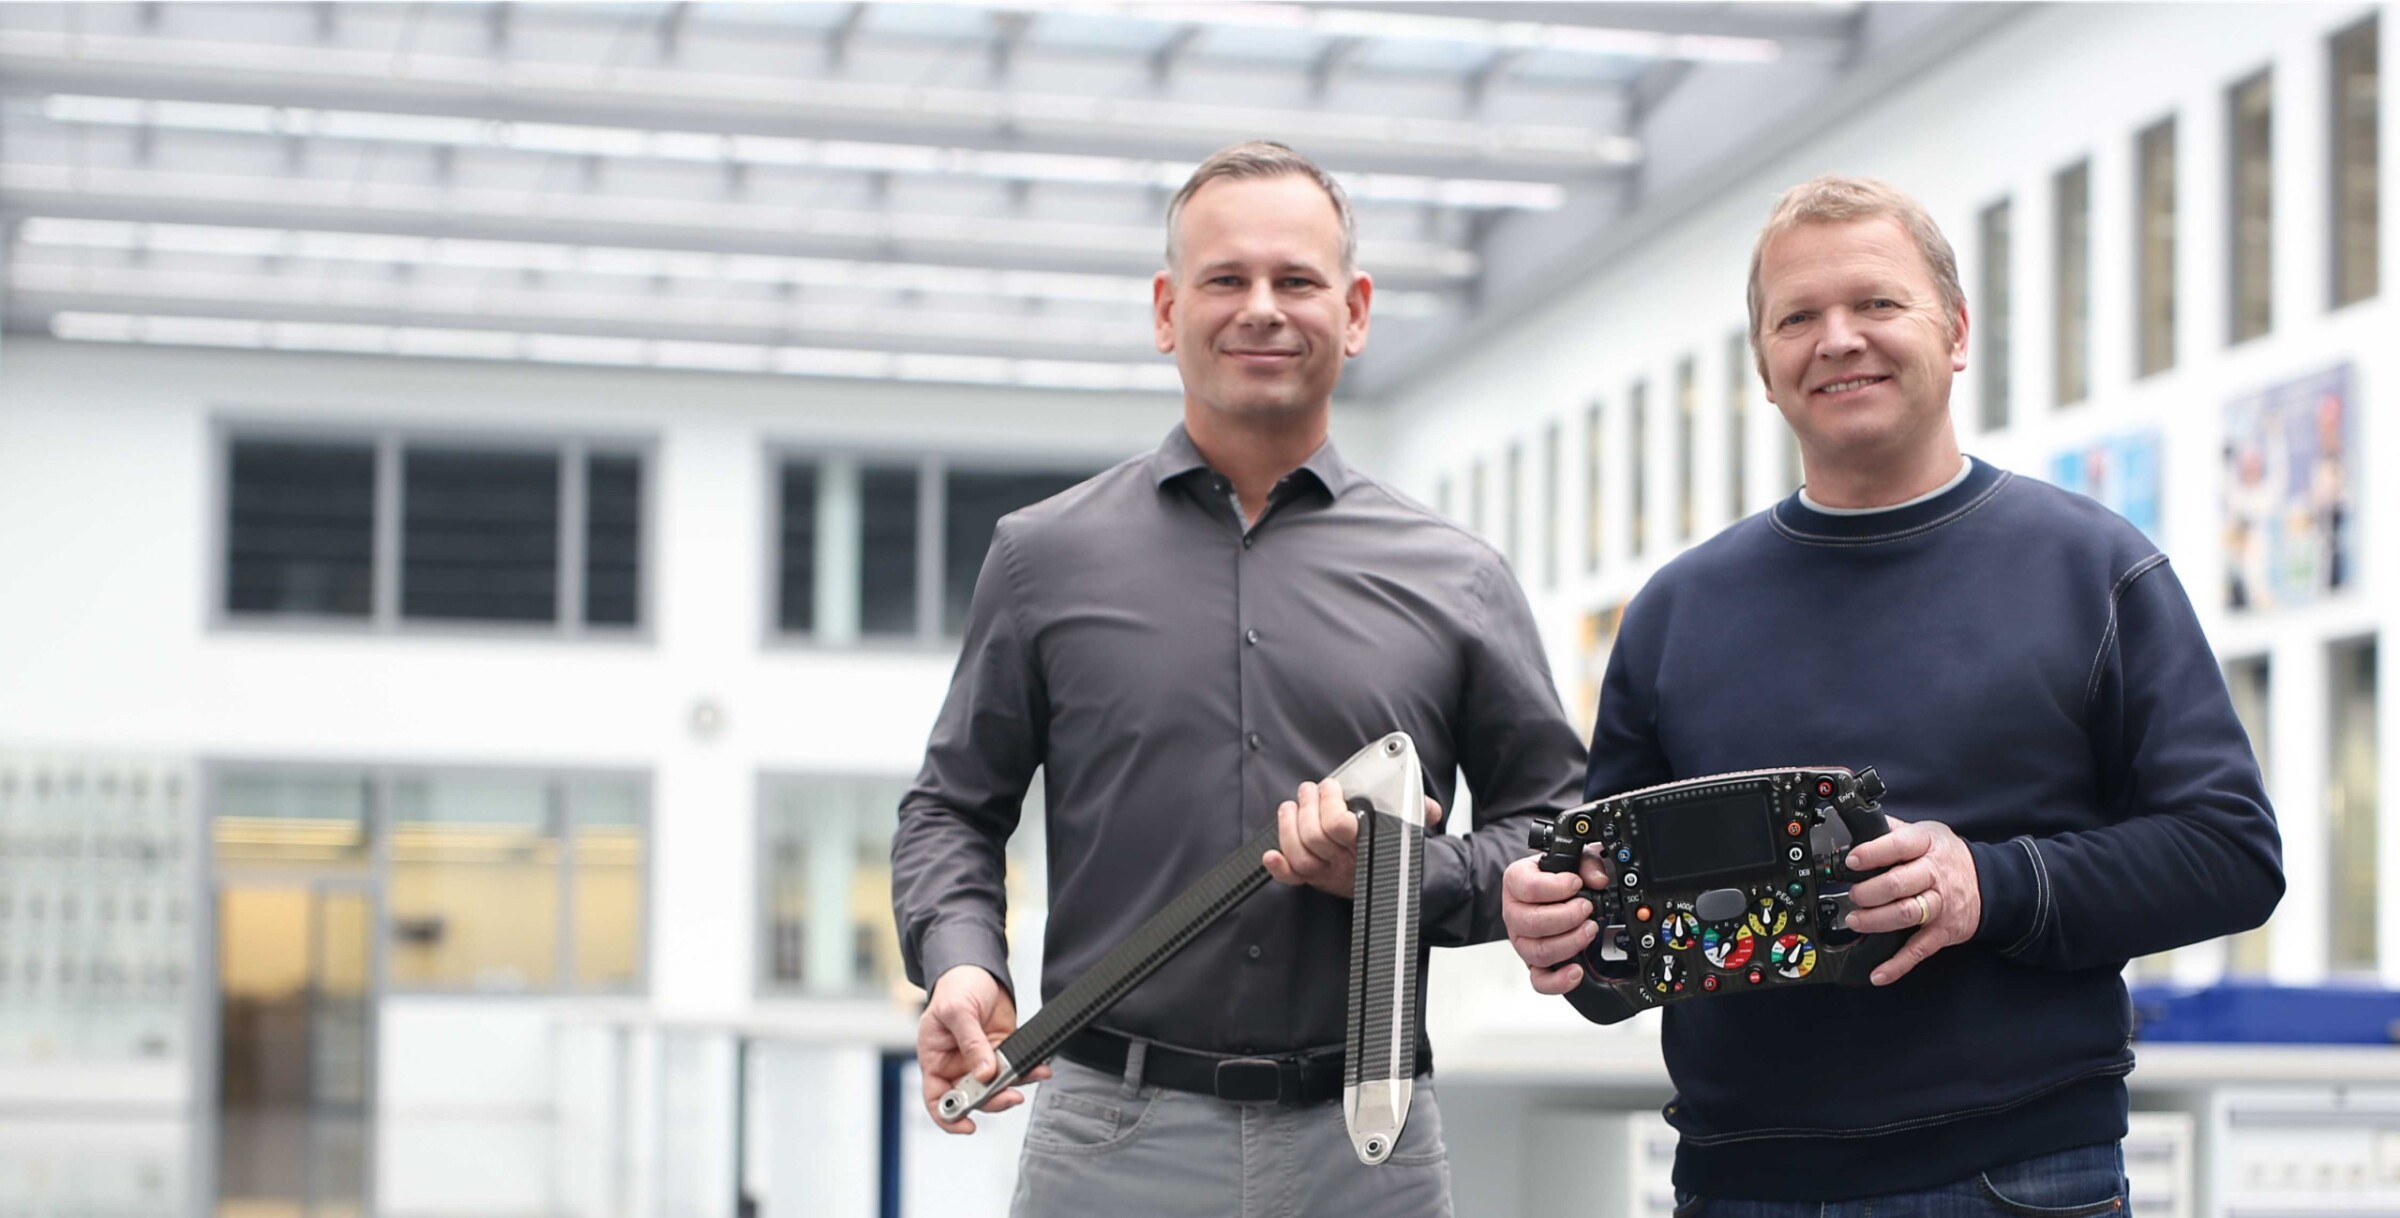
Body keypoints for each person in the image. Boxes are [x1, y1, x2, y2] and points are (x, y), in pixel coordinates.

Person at [1501, 175, 2283, 1213]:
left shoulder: (2092, 569)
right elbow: (1620, 957)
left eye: (1876, 304)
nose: (1838, 339)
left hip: (2019, 1176)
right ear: (1766, 370)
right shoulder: (1677, 613)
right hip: (1740, 1183)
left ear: (1955, 333)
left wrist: (1984, 887)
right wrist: (1572, 938)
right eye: (1799, 318)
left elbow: (2231, 854)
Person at [892, 141, 1587, 1217]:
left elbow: (1558, 834)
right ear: (1168, 311)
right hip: (1106, 1142)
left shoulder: (1459, 577)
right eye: (1226, 280)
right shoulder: (1042, 558)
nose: (1262, 308)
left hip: (1372, 1146)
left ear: (1353, 313)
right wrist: (962, 963)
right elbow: (949, 808)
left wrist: (1404, 874)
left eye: (1296, 281)